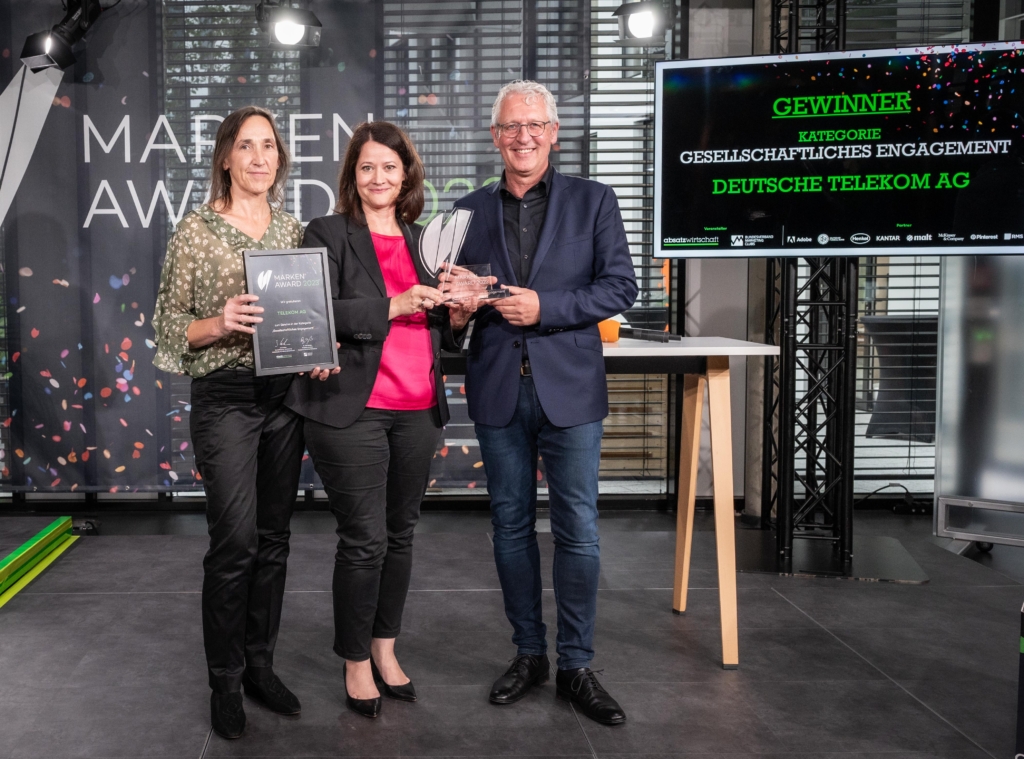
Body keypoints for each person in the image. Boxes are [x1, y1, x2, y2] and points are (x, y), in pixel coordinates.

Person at [450, 80, 638, 725]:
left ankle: (576, 664)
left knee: (578, 531)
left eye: (534, 125)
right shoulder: (466, 211)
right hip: (498, 385)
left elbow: (620, 287)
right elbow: (449, 306)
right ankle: (528, 653)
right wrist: (458, 307)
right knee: (508, 526)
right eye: (510, 126)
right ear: (495, 137)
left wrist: (546, 307)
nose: (522, 136)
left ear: (554, 132)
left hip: (571, 389)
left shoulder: (595, 201)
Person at [285, 121, 472, 718]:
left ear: (406, 175)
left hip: (419, 408)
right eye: (367, 167)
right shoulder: (328, 232)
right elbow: (309, 309)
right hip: (352, 409)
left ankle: (385, 648)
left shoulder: (426, 241)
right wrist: (392, 305)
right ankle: (355, 661)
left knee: (400, 535)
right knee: (363, 541)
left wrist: (461, 311)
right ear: (352, 176)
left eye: (389, 167)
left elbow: (445, 333)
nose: (378, 178)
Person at [152, 106, 306, 739]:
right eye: (246, 146)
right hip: (226, 399)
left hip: (285, 398)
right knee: (236, 541)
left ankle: (260, 668)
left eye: (269, 146)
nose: (259, 157)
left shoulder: (295, 231)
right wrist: (219, 323)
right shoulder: (196, 231)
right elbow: (167, 328)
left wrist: (315, 354)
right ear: (225, 157)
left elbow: (309, 318)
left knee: (274, 540)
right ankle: (224, 680)